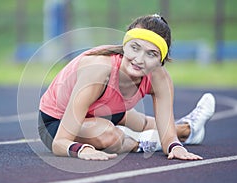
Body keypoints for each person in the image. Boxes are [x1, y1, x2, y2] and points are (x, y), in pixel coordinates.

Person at [38, 14, 215, 161]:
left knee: (143, 122)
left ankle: (188, 129)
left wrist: (175, 146)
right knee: (109, 135)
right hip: (57, 121)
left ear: (160, 61)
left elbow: (168, 136)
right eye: (135, 48)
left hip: (100, 110)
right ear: (125, 45)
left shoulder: (159, 77)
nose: (139, 59)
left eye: (151, 54)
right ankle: (140, 142)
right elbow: (60, 142)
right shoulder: (99, 70)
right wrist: (83, 149)